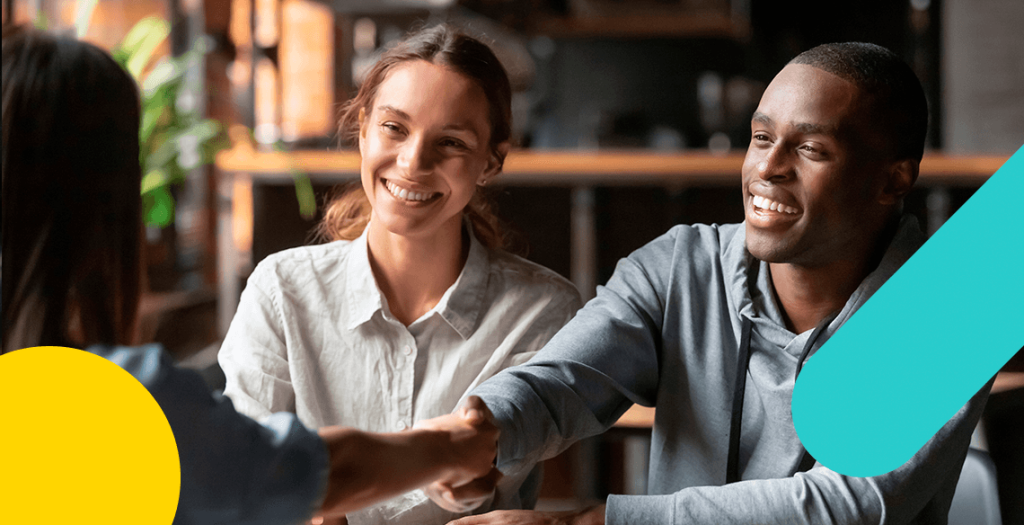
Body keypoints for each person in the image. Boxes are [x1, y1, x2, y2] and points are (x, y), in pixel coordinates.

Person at [426, 42, 993, 524]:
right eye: (762, 137)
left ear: (893, 181)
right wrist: (481, 426)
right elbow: (562, 383)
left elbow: (842, 505)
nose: (768, 168)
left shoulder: (950, 309)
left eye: (812, 149)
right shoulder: (681, 264)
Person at [1, 25, 499, 524]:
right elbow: (284, 472)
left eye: (451, 140)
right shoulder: (108, 405)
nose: (415, 160)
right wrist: (450, 447)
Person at [217, 24, 582, 525]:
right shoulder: (280, 290)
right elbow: (248, 480)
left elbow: (477, 490)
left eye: (451, 142)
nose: (413, 162)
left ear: (490, 162)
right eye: (394, 128)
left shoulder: (543, 311)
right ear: (362, 130)